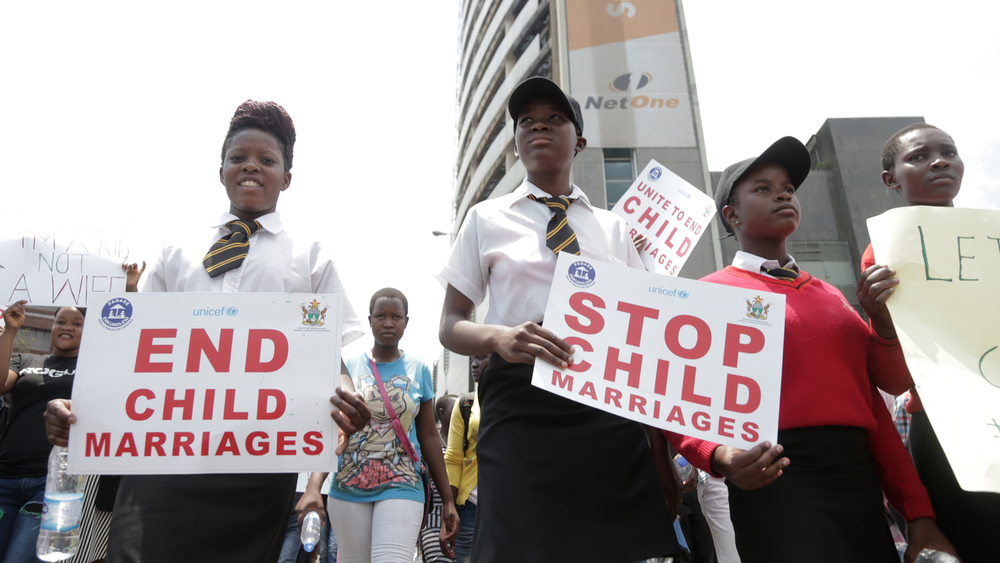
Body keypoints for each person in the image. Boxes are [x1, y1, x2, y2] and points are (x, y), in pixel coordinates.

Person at [42, 100, 371, 563]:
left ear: (287, 178)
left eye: (267, 160)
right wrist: (83, 408)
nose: (251, 166)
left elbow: (328, 359)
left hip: (259, 458)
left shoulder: (311, 258)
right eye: (238, 158)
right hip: (162, 453)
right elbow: (132, 351)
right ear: (220, 170)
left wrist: (345, 396)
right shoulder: (177, 251)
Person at [665, 137, 959, 563]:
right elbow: (674, 400)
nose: (784, 193)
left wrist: (918, 513)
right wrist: (718, 455)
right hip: (772, 481)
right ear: (732, 215)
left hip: (858, 484)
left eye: (788, 187)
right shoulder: (705, 295)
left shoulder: (833, 298)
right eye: (762, 188)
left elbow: (875, 408)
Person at [437, 76, 680, 563]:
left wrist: (660, 446)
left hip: (605, 398)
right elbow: (451, 323)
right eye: (526, 121)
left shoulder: (615, 228)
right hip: (520, 400)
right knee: (517, 540)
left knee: (612, 543)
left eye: (554, 119)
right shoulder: (486, 219)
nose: (538, 127)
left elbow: (648, 326)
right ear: (516, 141)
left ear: (579, 141)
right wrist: (499, 337)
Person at [860, 122, 1000, 562]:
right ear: (891, 179)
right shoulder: (883, 256)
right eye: (919, 156)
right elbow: (895, 379)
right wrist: (881, 321)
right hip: (951, 433)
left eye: (949, 152)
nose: (940, 161)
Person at [299, 288, 459, 563]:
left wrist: (447, 499)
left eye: (396, 316)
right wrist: (314, 486)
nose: (388, 323)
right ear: (369, 320)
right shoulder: (346, 366)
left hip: (403, 483)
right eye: (380, 316)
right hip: (348, 485)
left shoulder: (419, 369)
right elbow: (331, 431)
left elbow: (430, 436)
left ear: (406, 321)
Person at [0, 303, 84, 562]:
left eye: (76, 323)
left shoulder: (90, 370)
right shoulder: (26, 361)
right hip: (5, 477)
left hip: (52, 483)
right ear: (52, 326)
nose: (67, 326)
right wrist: (11, 331)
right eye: (60, 321)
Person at [443, 353, 488, 563]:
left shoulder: (519, 402)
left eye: (483, 358)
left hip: (510, 506)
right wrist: (449, 507)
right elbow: (453, 458)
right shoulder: (466, 404)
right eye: (473, 359)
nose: (474, 364)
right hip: (470, 507)